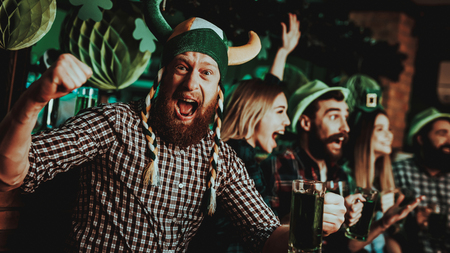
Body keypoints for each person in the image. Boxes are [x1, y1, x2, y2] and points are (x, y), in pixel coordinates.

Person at [0, 0, 346, 252]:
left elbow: (265, 235)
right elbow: (11, 173)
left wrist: (309, 225)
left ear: (217, 90)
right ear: (163, 77)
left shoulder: (219, 159)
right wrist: (35, 100)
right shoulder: (115, 123)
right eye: (182, 67)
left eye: (207, 72)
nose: (191, 82)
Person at [342, 103, 424, 253]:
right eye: (380, 129)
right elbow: (349, 245)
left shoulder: (381, 179)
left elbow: (387, 236)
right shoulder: (345, 178)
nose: (389, 135)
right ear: (363, 134)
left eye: (389, 129)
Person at [389, 107, 450, 253]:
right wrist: (412, 224)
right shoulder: (397, 171)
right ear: (421, 139)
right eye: (442, 134)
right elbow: (386, 228)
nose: (449, 140)